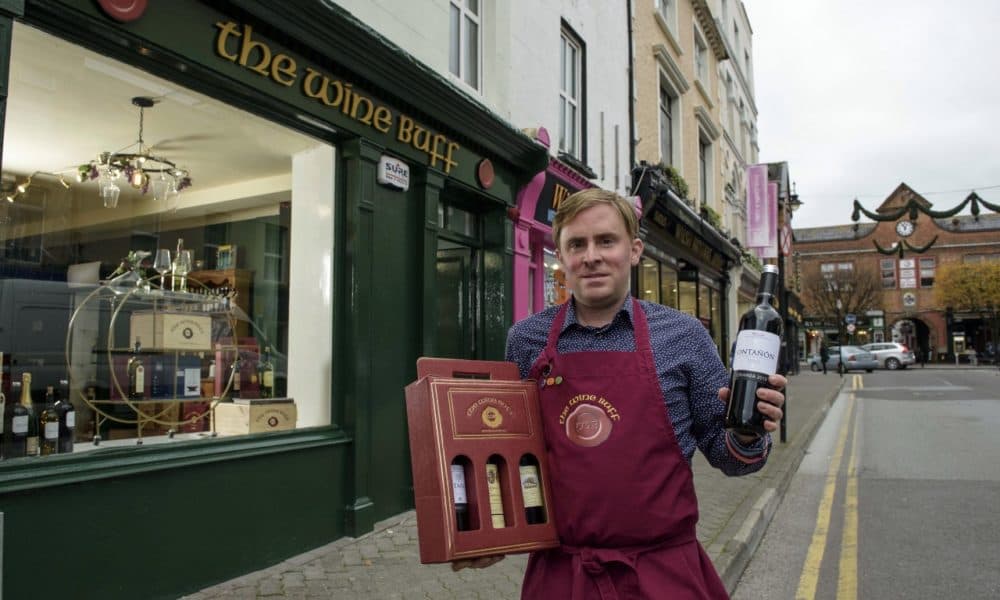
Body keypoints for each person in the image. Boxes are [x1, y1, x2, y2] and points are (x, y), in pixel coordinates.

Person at [454, 189, 785, 599]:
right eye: (577, 244)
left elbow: (726, 454)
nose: (591, 256)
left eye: (606, 241)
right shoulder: (526, 340)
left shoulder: (683, 335)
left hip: (665, 573)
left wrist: (750, 434)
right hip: (562, 576)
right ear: (562, 256)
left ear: (635, 250)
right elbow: (507, 454)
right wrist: (486, 532)